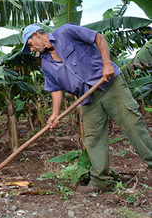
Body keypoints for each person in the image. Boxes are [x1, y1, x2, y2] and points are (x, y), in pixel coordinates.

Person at [21, 23, 152, 193]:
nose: (31, 49)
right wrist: (55, 114)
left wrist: (107, 64)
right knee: (93, 138)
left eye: (30, 44)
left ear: (37, 35)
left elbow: (99, 38)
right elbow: (55, 89)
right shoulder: (46, 64)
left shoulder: (66, 32)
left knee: (132, 125)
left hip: (110, 85)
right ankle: (101, 181)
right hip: (87, 98)